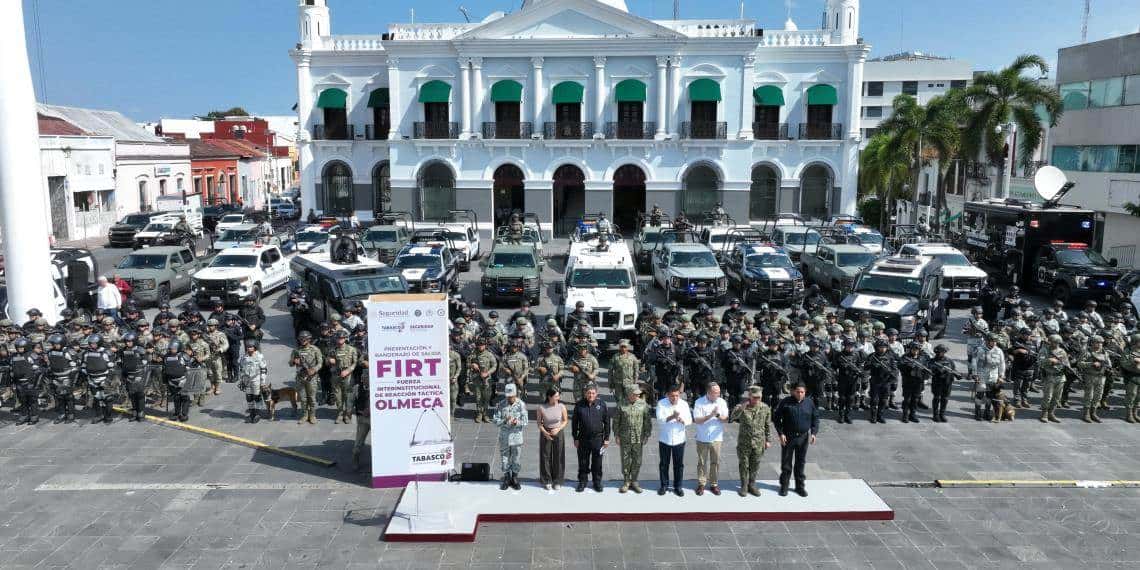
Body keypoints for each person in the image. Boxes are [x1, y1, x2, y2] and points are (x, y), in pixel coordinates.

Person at [773, 382, 819, 497]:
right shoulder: (785, 402)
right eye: (797, 391)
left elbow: (815, 418)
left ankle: (800, 487)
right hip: (788, 437)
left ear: (805, 392)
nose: (799, 394)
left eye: (802, 392)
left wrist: (813, 433)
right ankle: (784, 486)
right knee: (786, 463)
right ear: (793, 391)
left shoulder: (809, 403)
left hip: (803, 438)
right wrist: (781, 433)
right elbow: (776, 419)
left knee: (800, 463)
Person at [731, 385, 772, 497]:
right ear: (749, 396)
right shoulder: (742, 406)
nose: (757, 399)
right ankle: (744, 485)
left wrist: (768, 440)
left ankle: (752, 484)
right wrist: (741, 408)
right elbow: (732, 417)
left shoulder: (765, 408)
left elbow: (767, 425)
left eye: (759, 397)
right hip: (744, 442)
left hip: (759, 442)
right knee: (744, 464)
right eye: (754, 397)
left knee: (755, 464)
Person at [571, 384, 611, 493]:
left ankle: (597, 482)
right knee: (583, 461)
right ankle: (583, 481)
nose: (591, 395)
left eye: (593, 393)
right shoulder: (579, 405)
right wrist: (575, 437)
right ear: (585, 393)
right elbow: (574, 423)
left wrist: (607, 438)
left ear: (596, 394)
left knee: (597, 462)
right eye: (589, 393)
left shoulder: (602, 405)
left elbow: (607, 423)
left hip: (598, 439)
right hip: (583, 438)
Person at [692, 382, 729, 496]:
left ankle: (714, 484)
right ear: (708, 392)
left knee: (715, 462)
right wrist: (710, 415)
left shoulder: (722, 402)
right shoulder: (699, 402)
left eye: (718, 392)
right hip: (702, 437)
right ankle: (701, 484)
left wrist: (717, 415)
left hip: (717, 438)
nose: (718, 394)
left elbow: (726, 419)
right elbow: (697, 420)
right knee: (702, 462)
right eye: (715, 392)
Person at [613, 387, 652, 494]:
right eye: (635, 394)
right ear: (629, 394)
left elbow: (647, 421)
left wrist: (647, 435)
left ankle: (634, 481)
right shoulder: (621, 404)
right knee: (625, 460)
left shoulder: (643, 404)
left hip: (638, 437)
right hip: (625, 437)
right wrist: (616, 435)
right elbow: (616, 421)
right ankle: (626, 481)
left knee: (637, 460)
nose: (638, 396)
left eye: (638, 394)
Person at [655, 385, 692, 497]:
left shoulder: (684, 404)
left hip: (679, 439)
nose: (675, 398)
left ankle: (678, 486)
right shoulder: (661, 403)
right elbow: (660, 420)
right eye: (672, 396)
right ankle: (664, 485)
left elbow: (689, 420)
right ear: (668, 395)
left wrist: (681, 419)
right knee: (664, 464)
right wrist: (672, 417)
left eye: (677, 395)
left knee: (678, 465)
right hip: (665, 439)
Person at [493, 383, 528, 491]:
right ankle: (507, 477)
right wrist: (505, 420)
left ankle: (515, 478)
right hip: (504, 437)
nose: (509, 398)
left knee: (516, 459)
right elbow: (495, 420)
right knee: (505, 459)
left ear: (515, 394)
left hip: (516, 437)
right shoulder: (501, 404)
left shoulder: (521, 405)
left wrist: (516, 422)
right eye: (507, 396)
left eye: (511, 396)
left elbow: (525, 421)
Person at [289, 330, 323, 425]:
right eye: (301, 339)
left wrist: (314, 370)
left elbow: (320, 363)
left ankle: (312, 415)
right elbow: (290, 363)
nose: (303, 340)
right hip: (300, 377)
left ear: (309, 339)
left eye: (305, 339)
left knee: (312, 398)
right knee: (303, 398)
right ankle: (304, 415)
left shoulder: (315, 349)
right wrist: (294, 362)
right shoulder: (296, 350)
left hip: (312, 377)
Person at [537, 388, 568, 490]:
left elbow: (565, 420)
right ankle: (547, 480)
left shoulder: (561, 406)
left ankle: (557, 480)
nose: (558, 398)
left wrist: (558, 429)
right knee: (545, 456)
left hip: (558, 432)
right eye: (556, 396)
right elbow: (539, 423)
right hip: (546, 432)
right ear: (549, 397)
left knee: (558, 455)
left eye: (558, 396)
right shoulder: (541, 408)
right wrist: (545, 433)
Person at [329, 330, 360, 424]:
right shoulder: (333, 349)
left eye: (342, 338)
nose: (340, 340)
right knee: (338, 396)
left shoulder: (352, 349)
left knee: (348, 396)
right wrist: (329, 360)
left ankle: (347, 414)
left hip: (348, 375)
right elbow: (328, 360)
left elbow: (355, 363)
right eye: (338, 338)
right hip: (336, 375)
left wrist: (348, 370)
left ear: (345, 338)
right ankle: (340, 413)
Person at [120, 333, 149, 422]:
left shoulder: (140, 350)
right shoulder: (123, 350)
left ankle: (141, 412)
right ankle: (135, 411)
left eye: (129, 341)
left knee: (139, 394)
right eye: (126, 341)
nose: (128, 343)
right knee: (132, 394)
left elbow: (145, 362)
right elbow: (121, 361)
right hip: (129, 375)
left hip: (139, 375)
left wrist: (141, 373)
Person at [467, 337, 498, 423]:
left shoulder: (489, 355)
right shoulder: (473, 354)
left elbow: (494, 365)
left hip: (486, 379)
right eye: (479, 345)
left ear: (485, 345)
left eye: (482, 345)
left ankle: (485, 413)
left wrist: (487, 373)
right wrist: (472, 365)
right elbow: (467, 363)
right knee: (478, 397)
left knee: (486, 397)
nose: (481, 346)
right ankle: (479, 414)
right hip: (476, 379)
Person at [237, 340, 269, 423]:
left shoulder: (259, 356)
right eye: (248, 347)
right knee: (249, 397)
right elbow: (241, 369)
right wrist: (241, 380)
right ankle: (252, 412)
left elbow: (264, 369)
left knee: (257, 396)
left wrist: (263, 382)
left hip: (256, 379)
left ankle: (258, 413)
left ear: (255, 347)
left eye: (251, 347)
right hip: (247, 380)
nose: (249, 348)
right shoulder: (244, 357)